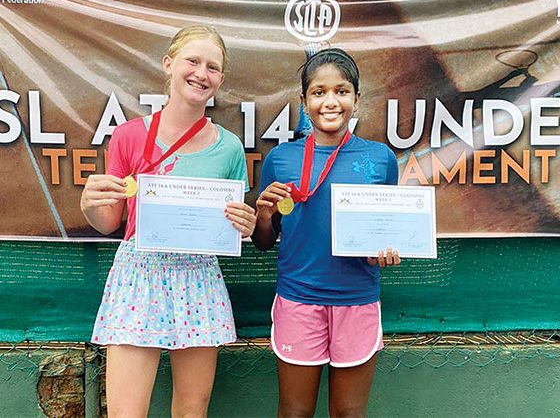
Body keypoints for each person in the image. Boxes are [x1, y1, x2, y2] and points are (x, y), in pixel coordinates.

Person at [80, 25, 256, 418]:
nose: (201, 73)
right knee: (126, 413)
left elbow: (232, 225)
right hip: (138, 275)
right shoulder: (127, 136)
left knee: (192, 411)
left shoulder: (229, 148)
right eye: (193, 61)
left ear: (220, 79)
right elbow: (108, 222)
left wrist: (244, 224)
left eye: (212, 67)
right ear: (169, 64)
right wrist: (89, 204)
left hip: (198, 278)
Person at [252, 48, 400, 418]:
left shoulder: (381, 158)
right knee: (294, 412)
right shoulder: (280, 159)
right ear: (304, 101)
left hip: (357, 300)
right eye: (319, 92)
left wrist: (384, 250)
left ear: (356, 99)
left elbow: (386, 230)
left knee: (349, 413)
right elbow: (263, 242)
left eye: (341, 91)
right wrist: (264, 216)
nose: (330, 102)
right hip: (299, 299)